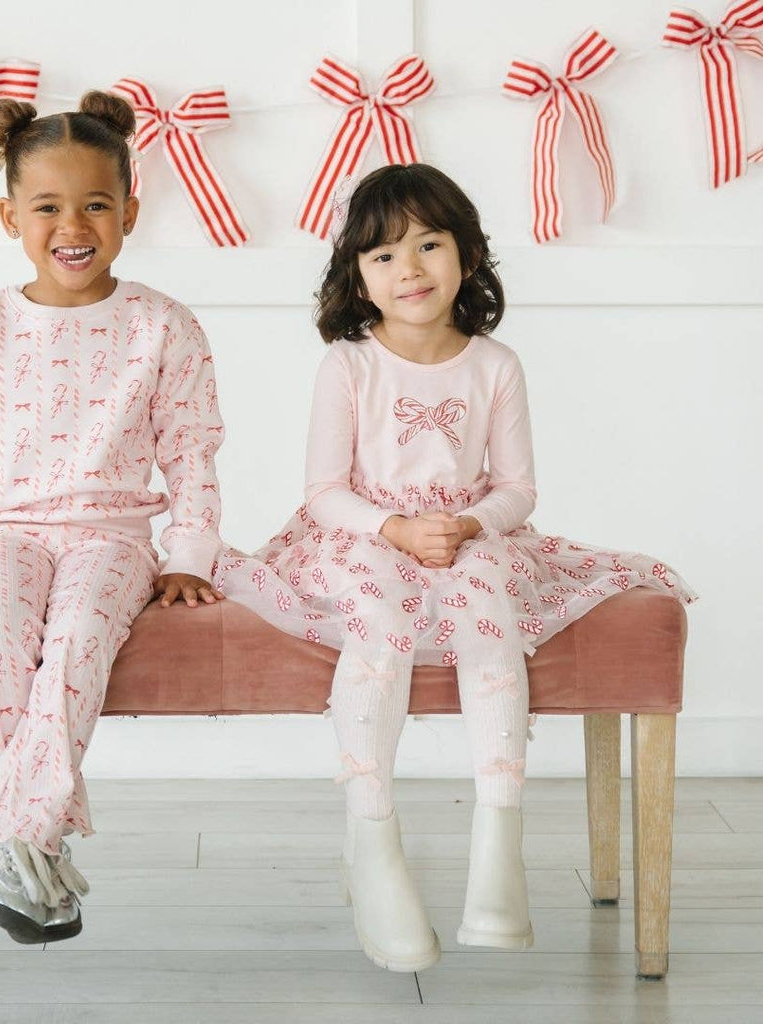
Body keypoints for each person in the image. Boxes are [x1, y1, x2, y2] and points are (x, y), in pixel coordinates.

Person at [214, 163, 695, 972]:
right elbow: (325, 491)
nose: (409, 269)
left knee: (487, 612)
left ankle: (498, 848)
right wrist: (394, 528)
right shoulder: (350, 366)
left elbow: (518, 487)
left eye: (429, 245)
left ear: (467, 256)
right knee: (381, 624)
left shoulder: (495, 365)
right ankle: (371, 845)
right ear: (358, 278)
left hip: (469, 534)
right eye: (384, 255)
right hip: (363, 536)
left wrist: (469, 523)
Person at [0, 91, 226, 945]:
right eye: (46, 206)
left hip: (113, 536)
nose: (71, 224)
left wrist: (190, 554)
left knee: (78, 636)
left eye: (95, 204)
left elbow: (192, 450)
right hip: (4, 533)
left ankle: (7, 843)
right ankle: (26, 844)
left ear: (130, 212)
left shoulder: (163, 325)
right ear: (10, 216)